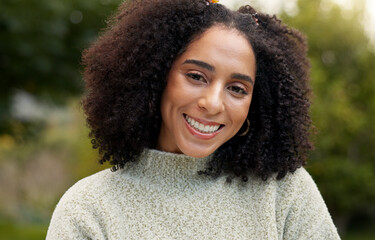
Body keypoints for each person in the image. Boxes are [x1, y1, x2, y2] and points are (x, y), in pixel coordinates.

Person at [47, 0, 341, 239]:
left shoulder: (284, 193)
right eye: (196, 76)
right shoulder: (88, 209)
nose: (212, 104)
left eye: (237, 89)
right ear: (155, 76)